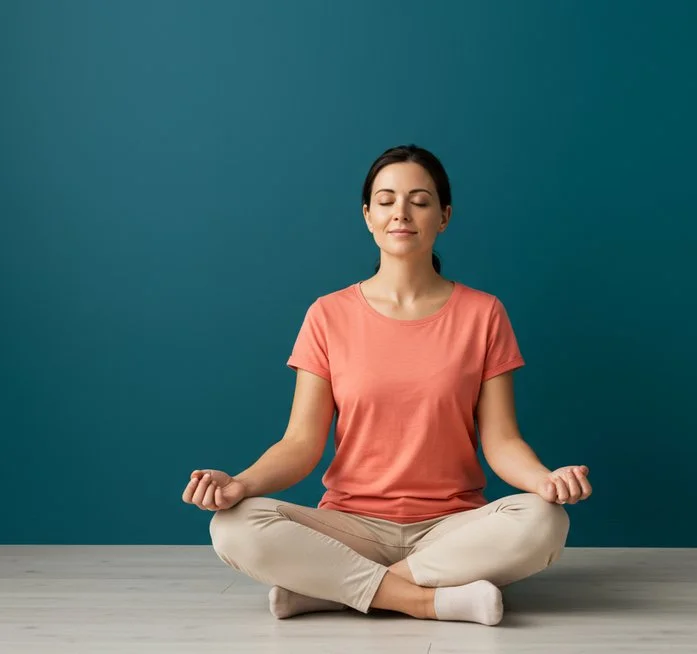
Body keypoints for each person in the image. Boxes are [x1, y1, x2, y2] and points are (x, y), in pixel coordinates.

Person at [180, 144, 592, 626]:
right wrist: (241, 484)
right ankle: (424, 599)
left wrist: (544, 480)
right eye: (386, 200)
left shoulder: (484, 313)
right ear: (368, 215)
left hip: (451, 526)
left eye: (420, 201)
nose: (402, 213)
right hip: (350, 525)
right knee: (234, 525)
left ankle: (331, 589)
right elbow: (300, 442)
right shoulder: (327, 315)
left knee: (545, 520)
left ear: (444, 216)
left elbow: (501, 440)